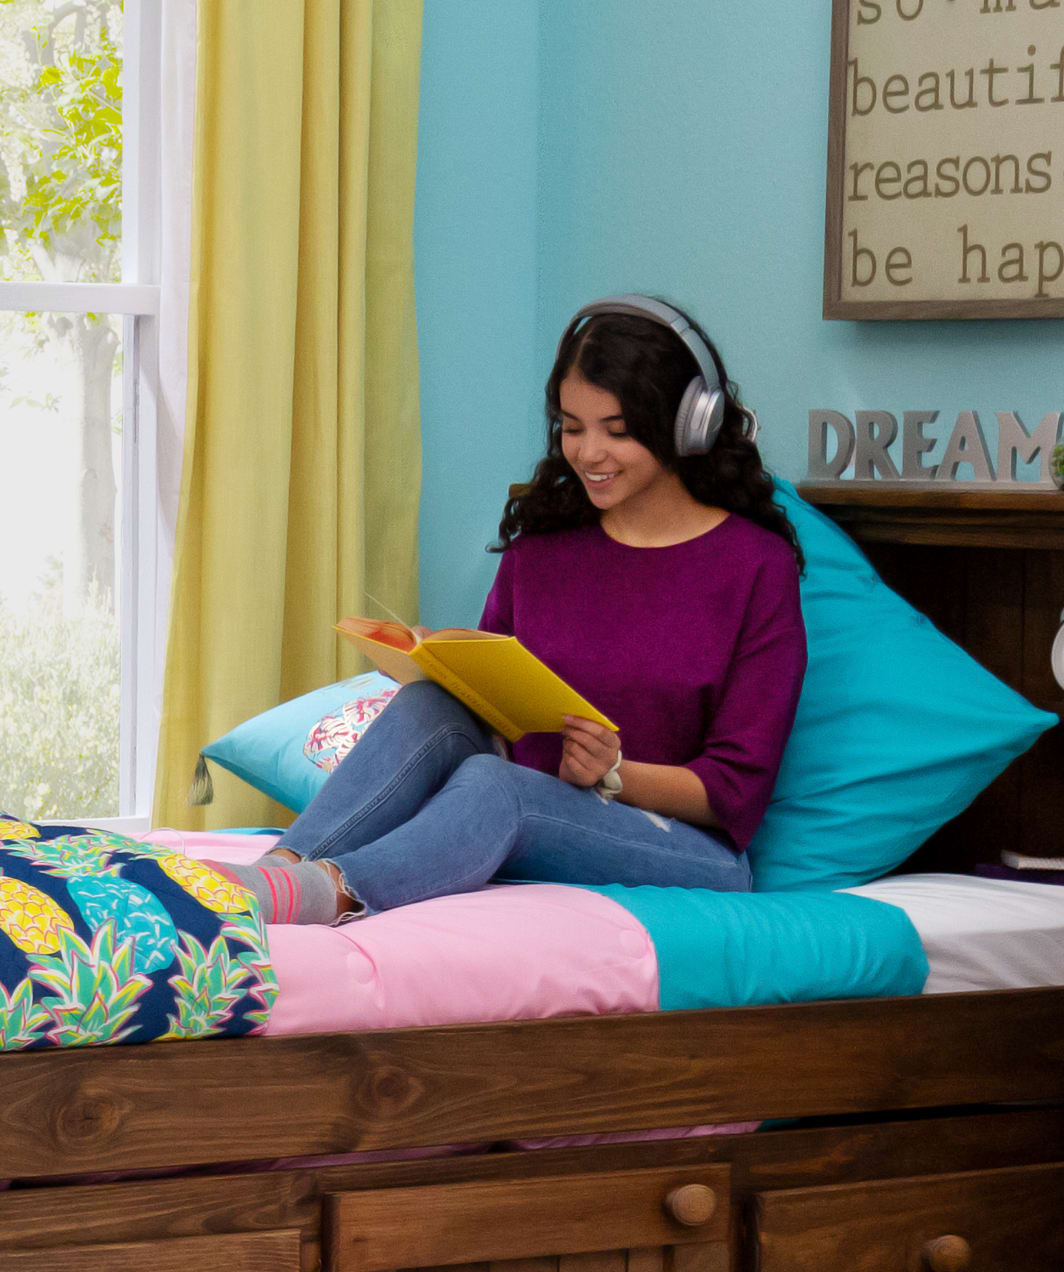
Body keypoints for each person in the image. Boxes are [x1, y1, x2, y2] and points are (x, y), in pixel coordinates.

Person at [215, 295, 808, 925]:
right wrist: (440, 668)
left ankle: (327, 895)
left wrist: (614, 773)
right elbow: (497, 719)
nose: (588, 454)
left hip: (685, 848)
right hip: (533, 809)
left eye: (618, 430)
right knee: (432, 708)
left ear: (687, 424)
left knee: (501, 791)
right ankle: (274, 876)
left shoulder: (755, 568)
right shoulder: (542, 551)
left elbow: (735, 791)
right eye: (573, 427)